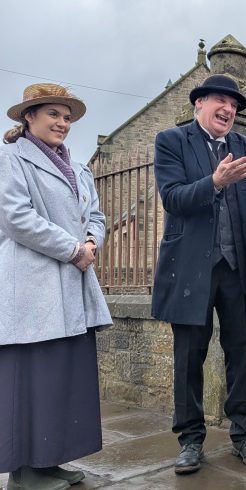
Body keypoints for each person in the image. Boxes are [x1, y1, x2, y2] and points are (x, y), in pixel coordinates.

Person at [151, 74, 246, 474]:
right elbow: (173, 199)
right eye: (220, 101)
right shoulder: (171, 142)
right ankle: (190, 440)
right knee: (189, 357)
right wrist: (214, 182)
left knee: (240, 355)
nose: (228, 109)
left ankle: (245, 435)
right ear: (199, 105)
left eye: (234, 104)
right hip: (191, 268)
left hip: (237, 267)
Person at [0, 83, 112, 490]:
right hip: (31, 286)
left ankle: (48, 461)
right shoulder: (11, 158)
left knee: (62, 377)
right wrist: (72, 249)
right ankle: (24, 471)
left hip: (72, 285)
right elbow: (16, 218)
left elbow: (96, 216)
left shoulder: (80, 168)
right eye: (53, 114)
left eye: (67, 117)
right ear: (28, 116)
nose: (62, 123)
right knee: (32, 377)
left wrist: (92, 243)